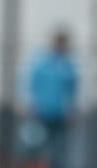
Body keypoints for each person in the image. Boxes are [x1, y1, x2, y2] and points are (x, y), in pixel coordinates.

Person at [23, 29, 78, 168]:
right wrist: (29, 104)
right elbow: (31, 85)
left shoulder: (68, 66)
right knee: (34, 148)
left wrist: (72, 110)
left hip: (60, 117)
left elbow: (72, 90)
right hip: (41, 114)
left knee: (59, 152)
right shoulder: (42, 64)